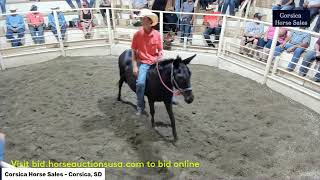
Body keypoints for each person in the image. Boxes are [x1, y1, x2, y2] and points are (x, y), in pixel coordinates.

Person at [131, 9, 163, 115]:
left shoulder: (157, 34)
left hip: (155, 62)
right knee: (140, 83)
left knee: (169, 75)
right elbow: (134, 51)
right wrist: (135, 66)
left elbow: (161, 50)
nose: (142, 21)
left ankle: (170, 97)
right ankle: (140, 105)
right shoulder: (137, 35)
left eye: (144, 19)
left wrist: (159, 58)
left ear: (150, 21)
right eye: (141, 19)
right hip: (144, 63)